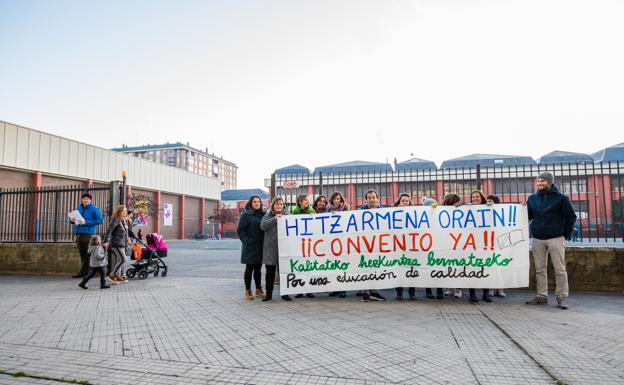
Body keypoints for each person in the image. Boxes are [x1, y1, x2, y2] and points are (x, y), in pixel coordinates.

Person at [525, 172, 577, 310]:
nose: (540, 183)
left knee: (560, 269)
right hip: (538, 238)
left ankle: (562, 297)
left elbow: (571, 217)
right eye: (538, 181)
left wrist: (565, 234)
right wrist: (521, 208)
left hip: (556, 238)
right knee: (539, 269)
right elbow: (527, 216)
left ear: (549, 182)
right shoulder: (532, 199)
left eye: (542, 181)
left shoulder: (561, 198)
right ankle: (541, 296)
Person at [358, 189, 386, 302]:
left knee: (376, 267)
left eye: (373, 197)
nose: (371, 199)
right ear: (366, 200)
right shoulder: (360, 211)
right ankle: (365, 292)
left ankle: (374, 292)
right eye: (369, 198)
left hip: (378, 244)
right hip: (364, 243)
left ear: (377, 198)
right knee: (365, 267)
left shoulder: (383, 211)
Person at [260, 197, 290, 301]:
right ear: (273, 205)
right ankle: (269, 294)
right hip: (270, 249)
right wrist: (275, 218)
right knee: (270, 273)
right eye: (277, 204)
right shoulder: (267, 216)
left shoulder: (287, 216)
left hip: (284, 249)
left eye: (281, 204)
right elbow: (263, 226)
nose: (279, 206)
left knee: (283, 272)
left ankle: (285, 294)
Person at [237, 195, 266, 300]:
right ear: (250, 203)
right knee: (249, 269)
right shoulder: (246, 215)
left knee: (258, 269)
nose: (257, 203)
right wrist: (248, 240)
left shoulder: (263, 214)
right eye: (255, 202)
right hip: (250, 247)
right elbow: (240, 230)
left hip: (260, 247)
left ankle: (258, 289)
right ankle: (248, 290)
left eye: (258, 201)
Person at [467, 191, 492, 303]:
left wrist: (492, 205)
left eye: (477, 196)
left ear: (481, 198)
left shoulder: (488, 207)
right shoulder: (467, 208)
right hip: (470, 243)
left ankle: (486, 294)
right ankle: (472, 294)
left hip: (484, 243)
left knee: (484, 268)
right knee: (471, 268)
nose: (475, 198)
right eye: (473, 197)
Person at [70, 193, 103, 278]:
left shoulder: (94, 209)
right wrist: (72, 220)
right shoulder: (79, 208)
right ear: (82, 200)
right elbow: (75, 220)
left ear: (90, 200)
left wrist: (86, 222)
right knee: (82, 253)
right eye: (84, 199)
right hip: (79, 233)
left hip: (89, 234)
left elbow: (100, 220)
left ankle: (91, 272)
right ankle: (83, 271)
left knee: (89, 253)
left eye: (88, 199)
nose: (86, 200)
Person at [103, 206, 136, 284]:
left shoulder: (123, 220)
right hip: (116, 243)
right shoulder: (116, 219)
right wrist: (106, 241)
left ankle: (117, 276)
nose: (124, 212)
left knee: (119, 259)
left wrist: (128, 239)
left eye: (125, 211)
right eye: (123, 211)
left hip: (122, 243)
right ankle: (112, 275)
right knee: (123, 259)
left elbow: (125, 232)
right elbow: (109, 230)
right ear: (119, 211)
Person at [393, 193, 416, 300]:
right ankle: (399, 292)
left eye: (407, 201)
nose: (405, 203)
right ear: (399, 202)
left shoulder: (414, 213)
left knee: (412, 268)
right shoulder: (393, 212)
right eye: (403, 201)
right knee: (400, 269)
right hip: (398, 245)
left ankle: (412, 293)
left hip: (411, 245)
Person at [292, 194, 315, 298]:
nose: (307, 201)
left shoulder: (312, 211)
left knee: (309, 267)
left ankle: (309, 290)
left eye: (307, 200)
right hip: (298, 243)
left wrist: (313, 218)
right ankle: (300, 290)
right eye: (305, 200)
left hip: (310, 243)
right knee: (300, 267)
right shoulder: (294, 212)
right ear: (300, 202)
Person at [327, 191, 349, 298]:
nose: (337, 200)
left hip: (342, 240)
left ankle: (343, 289)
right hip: (331, 241)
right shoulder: (327, 209)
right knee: (334, 266)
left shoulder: (345, 208)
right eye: (335, 198)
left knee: (342, 266)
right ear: (332, 200)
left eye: (339, 199)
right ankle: (335, 289)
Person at [442, 194, 464, 300]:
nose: (459, 203)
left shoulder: (462, 210)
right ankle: (450, 288)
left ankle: (458, 289)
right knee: (448, 267)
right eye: (457, 201)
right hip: (447, 242)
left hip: (459, 243)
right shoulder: (442, 211)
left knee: (458, 267)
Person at [422, 197, 443, 300]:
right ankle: (428, 291)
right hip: (426, 246)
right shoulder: (421, 216)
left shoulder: (440, 215)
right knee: (427, 269)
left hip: (438, 245)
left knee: (438, 268)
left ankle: (439, 290)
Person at [486, 194, 506, 298]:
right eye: (488, 200)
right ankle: (491, 289)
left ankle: (500, 289)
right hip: (488, 243)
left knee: (500, 267)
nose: (489, 202)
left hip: (499, 242)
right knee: (491, 266)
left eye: (491, 201)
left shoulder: (500, 211)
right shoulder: (485, 211)